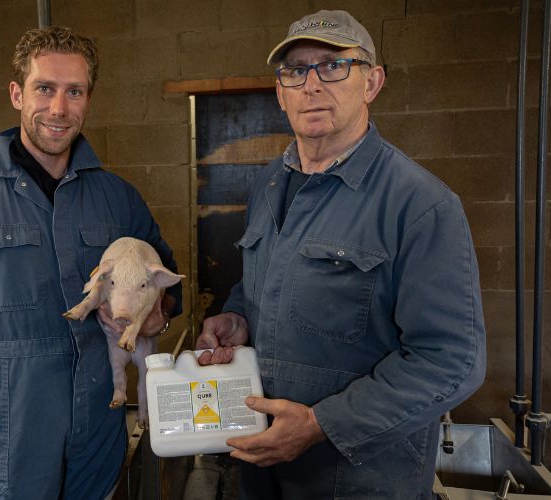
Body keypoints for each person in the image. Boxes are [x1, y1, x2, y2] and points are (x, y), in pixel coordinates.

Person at [196, 10, 487, 499]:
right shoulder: (269, 184)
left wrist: (321, 424)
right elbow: (265, 282)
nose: (311, 84)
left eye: (333, 66)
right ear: (281, 93)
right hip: (261, 468)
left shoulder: (420, 204)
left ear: (371, 83)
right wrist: (238, 316)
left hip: (361, 479)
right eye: (296, 70)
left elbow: (453, 360)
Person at [0, 26, 181, 499]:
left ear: (88, 99)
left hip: (97, 430)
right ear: (16, 94)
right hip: (4, 431)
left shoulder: (118, 198)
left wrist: (156, 316)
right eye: (44, 88)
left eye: (74, 92)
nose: (59, 108)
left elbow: (168, 283)